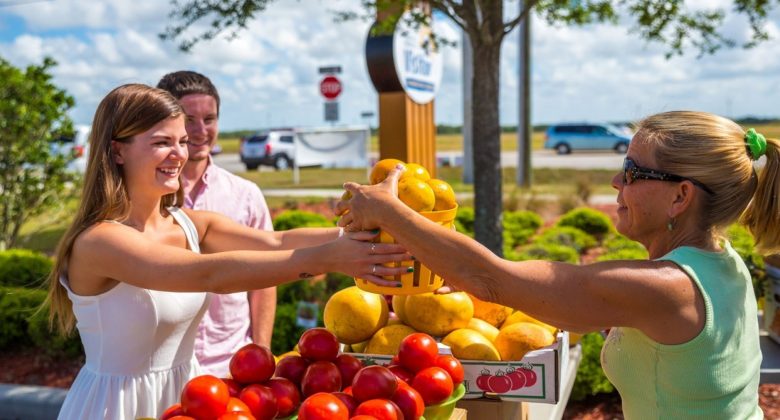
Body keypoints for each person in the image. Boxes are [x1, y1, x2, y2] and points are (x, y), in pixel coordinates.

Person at [337, 111, 779, 418]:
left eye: (632, 170)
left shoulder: (667, 287)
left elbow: (493, 279)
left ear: (681, 196)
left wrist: (390, 213)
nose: (615, 181)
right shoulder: (720, 261)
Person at [48, 83, 410, 419]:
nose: (179, 154)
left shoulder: (189, 223)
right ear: (117, 150)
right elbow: (209, 274)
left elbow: (278, 241)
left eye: (182, 141)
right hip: (117, 406)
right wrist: (329, 258)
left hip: (190, 399)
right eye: (162, 142)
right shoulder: (99, 241)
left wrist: (385, 229)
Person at [157, 71, 276, 377]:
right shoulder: (145, 197)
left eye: (209, 119)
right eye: (189, 120)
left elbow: (265, 278)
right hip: (163, 368)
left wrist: (260, 351)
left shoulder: (245, 195)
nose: (200, 130)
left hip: (232, 363)